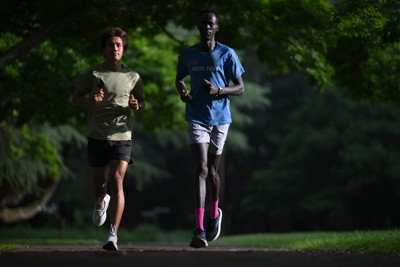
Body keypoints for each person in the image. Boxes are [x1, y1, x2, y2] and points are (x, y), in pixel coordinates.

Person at [175, 8, 245, 248]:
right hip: (196, 116)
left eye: (211, 24)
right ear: (198, 27)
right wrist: (182, 91)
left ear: (217, 28)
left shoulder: (227, 54)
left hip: (221, 119)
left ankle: (215, 213)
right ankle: (199, 229)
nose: (206, 27)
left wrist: (219, 91)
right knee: (201, 167)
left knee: (213, 171)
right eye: (203, 24)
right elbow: (179, 79)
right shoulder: (188, 54)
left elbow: (241, 87)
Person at [72, 27, 144, 251]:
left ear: (124, 50)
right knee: (99, 186)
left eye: (119, 45)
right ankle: (101, 201)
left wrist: (137, 105)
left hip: (122, 135)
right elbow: (75, 99)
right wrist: (90, 101)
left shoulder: (133, 76)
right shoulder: (93, 74)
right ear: (103, 50)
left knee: (116, 180)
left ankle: (112, 235)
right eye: (111, 45)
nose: (115, 48)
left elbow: (141, 102)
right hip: (97, 135)